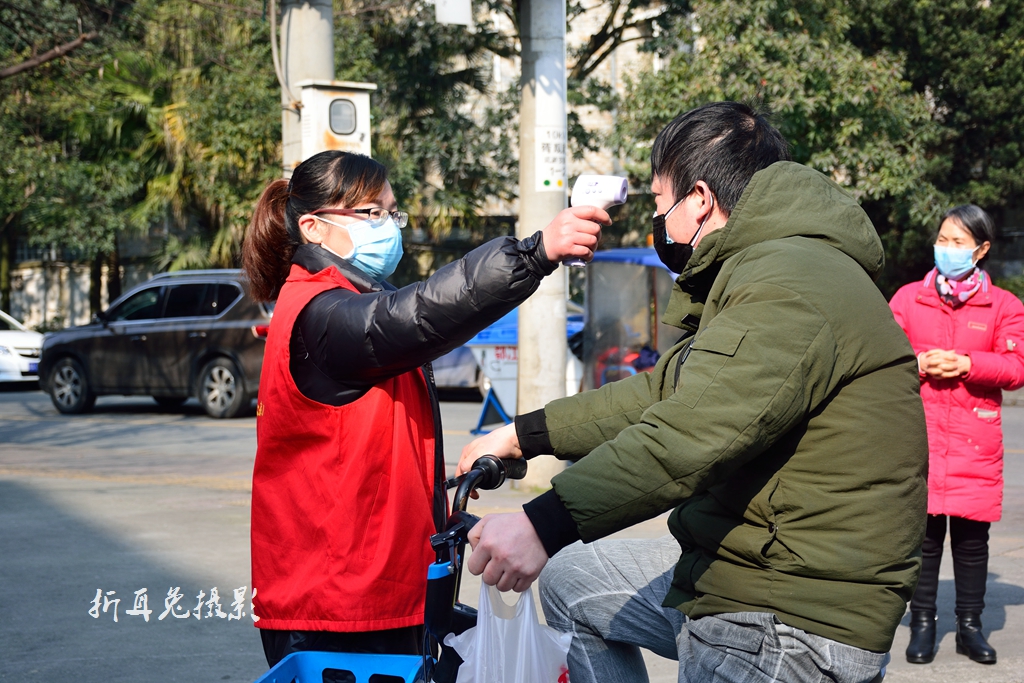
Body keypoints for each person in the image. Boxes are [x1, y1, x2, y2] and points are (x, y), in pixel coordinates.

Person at [457, 102, 929, 683]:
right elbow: (664, 392)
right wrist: (523, 435)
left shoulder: (790, 284)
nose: (660, 222)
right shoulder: (765, 266)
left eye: (660, 203)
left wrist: (542, 524)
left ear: (700, 199)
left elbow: (692, 433)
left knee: (562, 556)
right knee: (572, 580)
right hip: (749, 560)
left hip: (792, 610)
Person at [241, 150, 606, 668]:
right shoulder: (321, 314)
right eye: (372, 213)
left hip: (375, 591)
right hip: (338, 606)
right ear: (313, 227)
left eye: (392, 213)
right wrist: (534, 254)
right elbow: (419, 313)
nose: (389, 226)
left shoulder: (343, 301)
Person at [889, 204, 1024, 665]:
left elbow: (1017, 366)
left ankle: (970, 627)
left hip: (974, 441)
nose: (947, 249)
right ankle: (923, 624)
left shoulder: (1004, 306)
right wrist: (918, 362)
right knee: (923, 540)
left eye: (958, 242)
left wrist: (969, 364)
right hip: (920, 436)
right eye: (942, 240)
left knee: (971, 543)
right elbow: (882, 357)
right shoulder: (908, 299)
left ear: (981, 250)